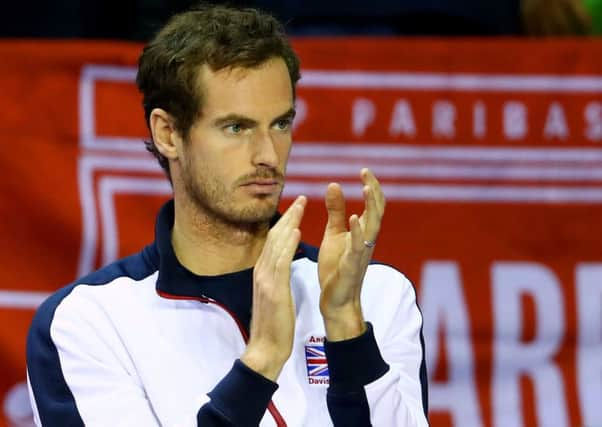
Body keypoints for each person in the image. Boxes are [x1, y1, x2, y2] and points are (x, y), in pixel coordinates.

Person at [26, 4, 428, 426]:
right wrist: (260, 364)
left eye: (281, 124)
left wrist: (345, 326)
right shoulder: (88, 323)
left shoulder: (377, 296)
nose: (268, 156)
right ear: (168, 133)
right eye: (237, 128)